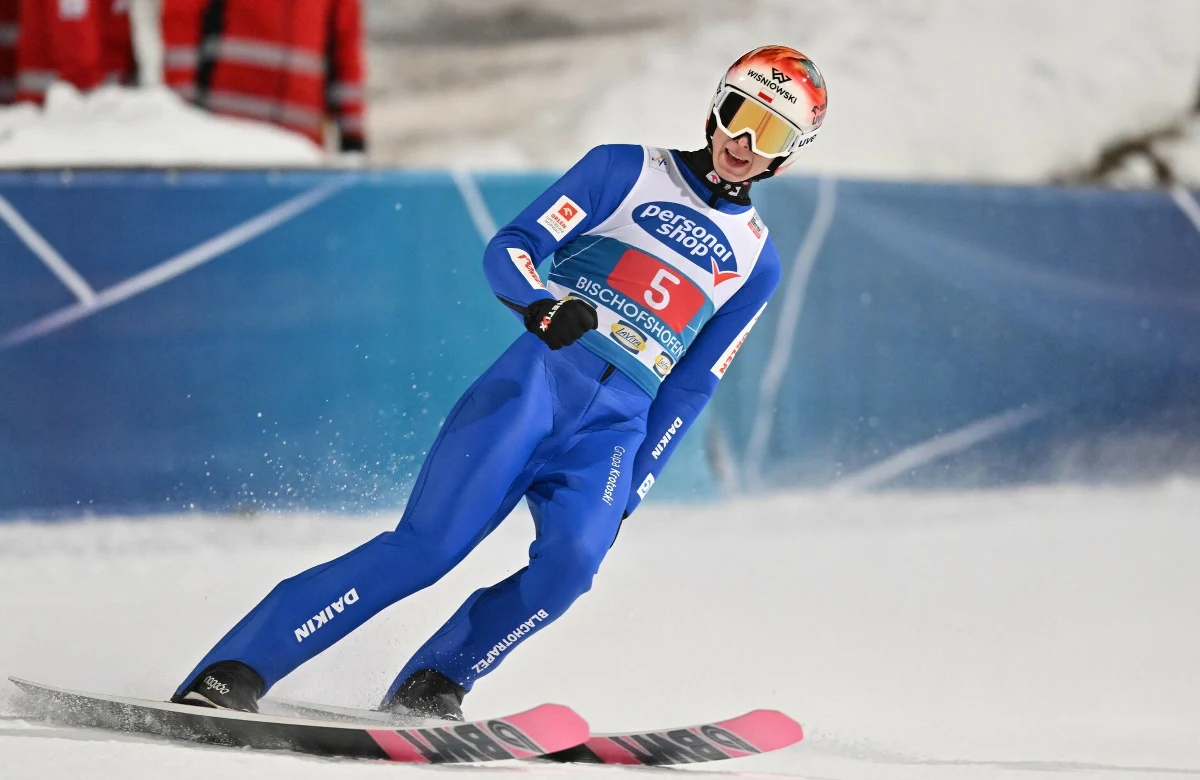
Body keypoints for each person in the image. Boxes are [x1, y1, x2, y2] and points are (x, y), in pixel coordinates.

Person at [171, 45, 828, 719]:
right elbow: (510, 246)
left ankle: (435, 683)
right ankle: (236, 668)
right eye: (738, 114)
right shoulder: (625, 168)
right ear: (715, 106)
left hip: (614, 430)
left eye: (770, 133)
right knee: (427, 549)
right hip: (538, 383)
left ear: (790, 154)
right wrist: (540, 305)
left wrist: (641, 475)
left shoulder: (759, 261)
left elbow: (692, 386)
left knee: (571, 567)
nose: (743, 142)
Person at [160, 0, 366, 154]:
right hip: (221, 145)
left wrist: (353, 138)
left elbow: (345, 52)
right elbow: (181, 27)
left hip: (301, 154)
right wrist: (181, 116)